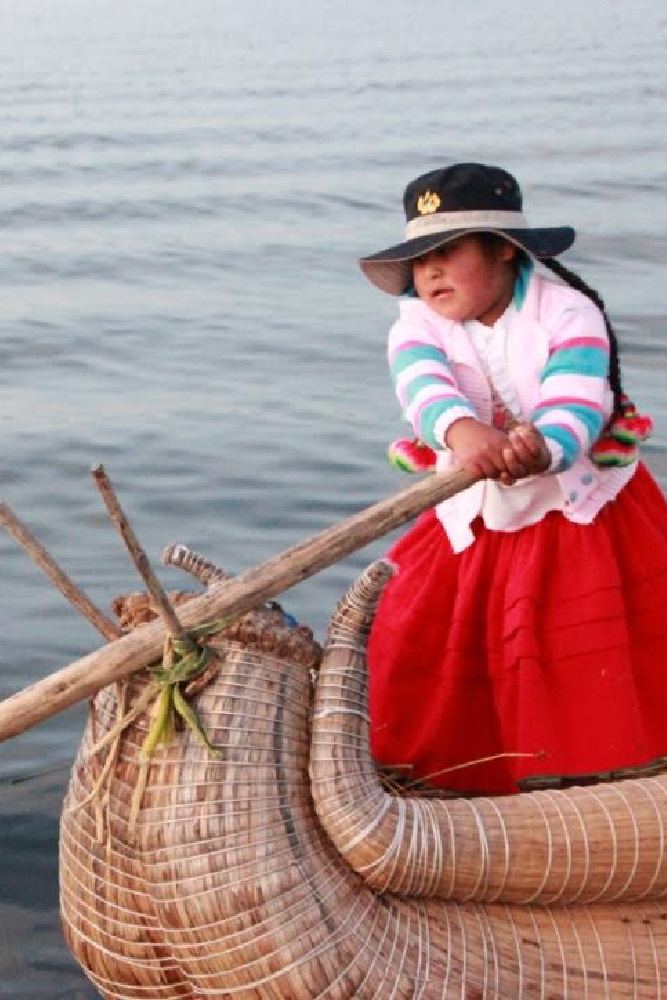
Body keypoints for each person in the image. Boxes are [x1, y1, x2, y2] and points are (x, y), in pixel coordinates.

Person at [359, 162, 667, 796]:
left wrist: (543, 448)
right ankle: (452, 781)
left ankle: (597, 785)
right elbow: (423, 386)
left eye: (448, 252)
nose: (432, 272)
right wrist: (466, 434)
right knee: (410, 625)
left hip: (578, 509)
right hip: (473, 505)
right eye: (421, 259)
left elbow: (579, 398)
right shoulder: (417, 322)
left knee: (567, 644)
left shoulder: (568, 311)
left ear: (504, 248)